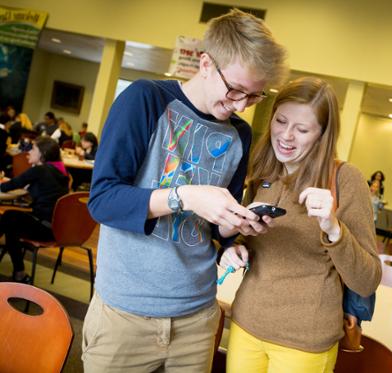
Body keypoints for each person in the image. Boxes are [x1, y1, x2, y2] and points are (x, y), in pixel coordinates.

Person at [83, 9, 287, 372]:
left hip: (197, 317)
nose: (241, 105)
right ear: (206, 63)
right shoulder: (146, 100)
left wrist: (235, 233)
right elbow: (102, 201)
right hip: (125, 315)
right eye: (235, 89)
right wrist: (186, 195)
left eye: (254, 96)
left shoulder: (238, 134)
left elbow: (212, 229)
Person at [219, 77, 381, 373]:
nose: (286, 136)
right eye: (280, 121)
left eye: (302, 129)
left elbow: (367, 280)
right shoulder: (265, 172)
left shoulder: (346, 179)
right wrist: (237, 248)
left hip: (304, 342)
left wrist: (334, 228)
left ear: (322, 135)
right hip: (246, 323)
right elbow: (256, 241)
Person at [0, 136, 69, 282]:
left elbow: (8, 186)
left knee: (9, 217)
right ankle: (19, 273)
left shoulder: (40, 171)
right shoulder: (61, 173)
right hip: (55, 229)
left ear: (42, 153)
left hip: (43, 227)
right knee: (11, 224)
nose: (28, 152)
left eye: (33, 149)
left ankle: (19, 271)